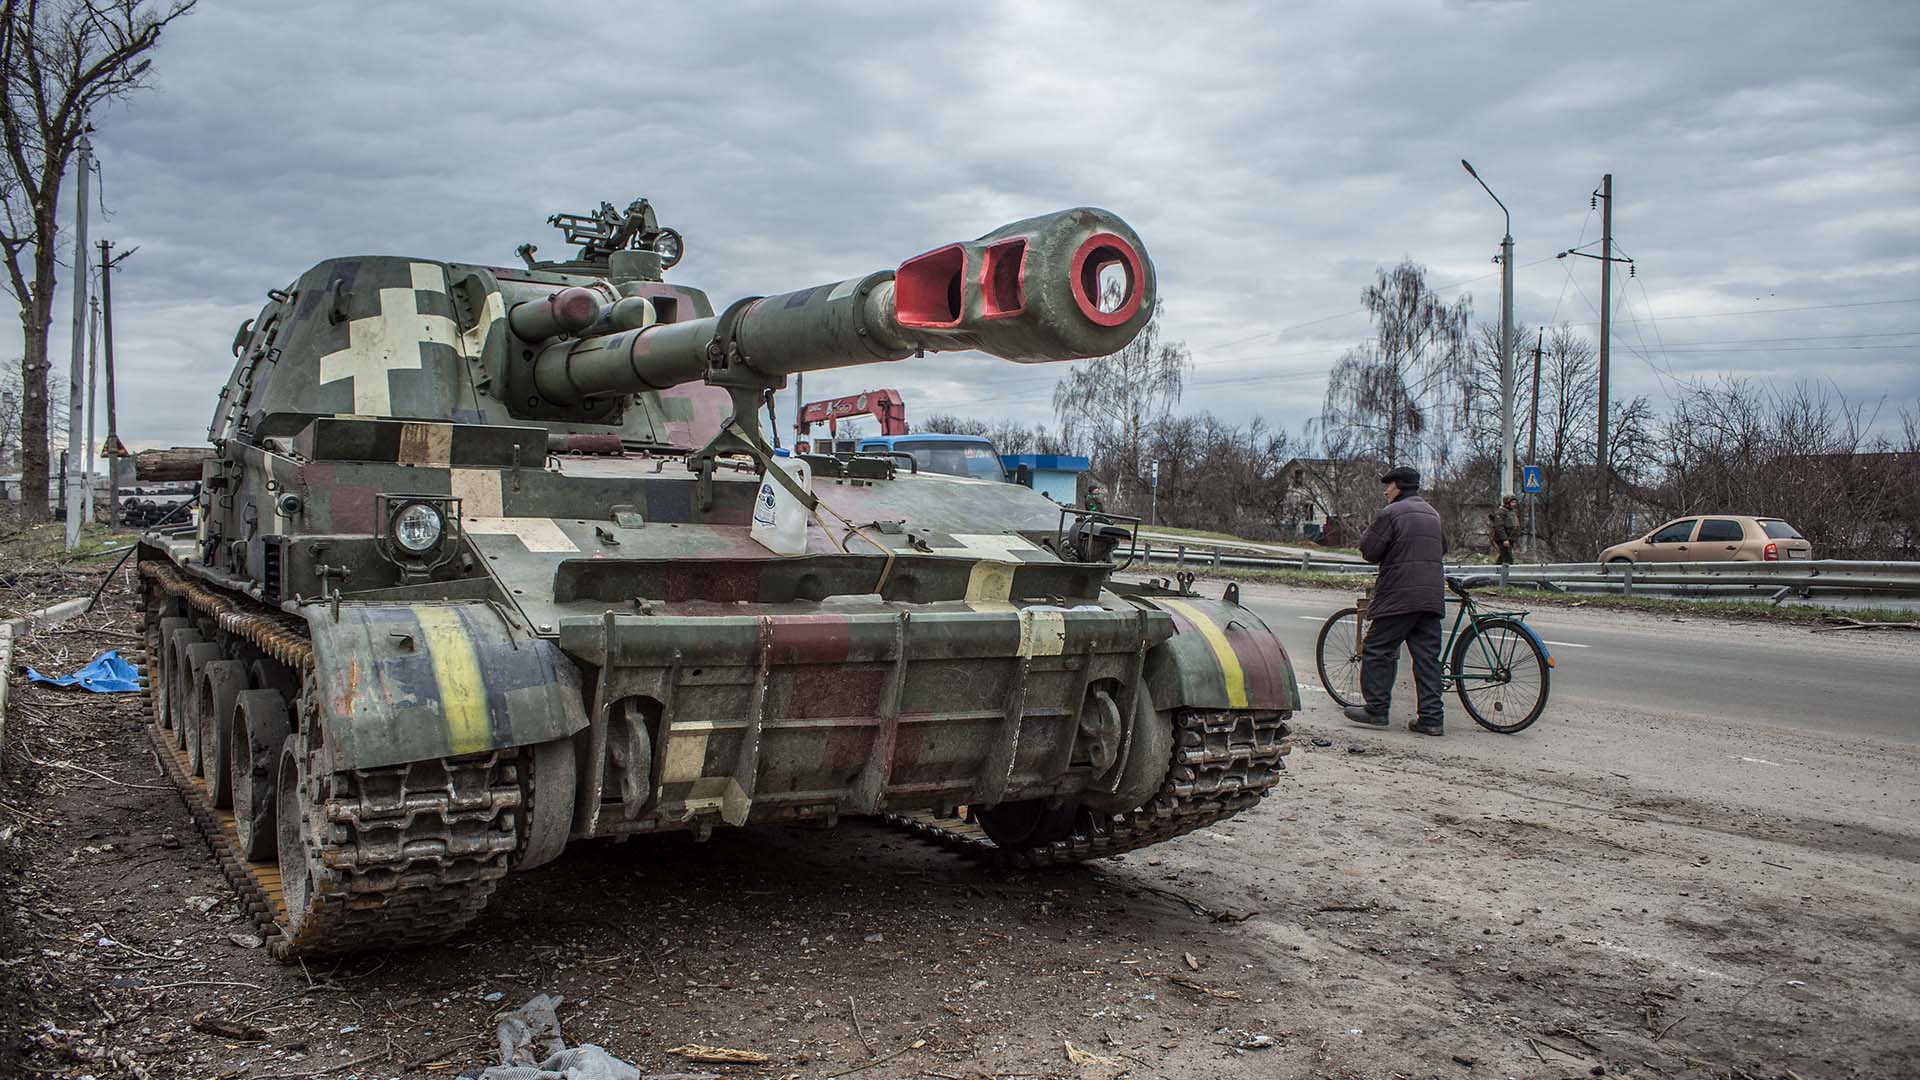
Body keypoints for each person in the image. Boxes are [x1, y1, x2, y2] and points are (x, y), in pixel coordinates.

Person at [1346, 466, 1447, 736]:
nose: (1385, 490)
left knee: (1378, 647)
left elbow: (1370, 551)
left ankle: (1376, 710)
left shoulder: (1391, 513)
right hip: (1431, 595)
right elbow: (1443, 548)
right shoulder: (1432, 514)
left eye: (1388, 486)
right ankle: (1432, 719)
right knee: (1427, 657)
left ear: (1399, 487)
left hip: (1399, 595)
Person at [1488, 495, 1518, 564]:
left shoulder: (1511, 512)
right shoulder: (1501, 512)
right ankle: (1506, 573)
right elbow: (1499, 527)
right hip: (1503, 539)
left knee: (1503, 557)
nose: (1514, 504)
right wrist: (1504, 539)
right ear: (1507, 503)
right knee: (1507, 558)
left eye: (1515, 502)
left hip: (1510, 538)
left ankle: (1496, 572)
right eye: (1512, 502)